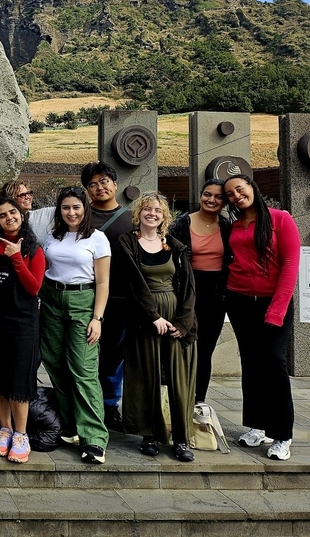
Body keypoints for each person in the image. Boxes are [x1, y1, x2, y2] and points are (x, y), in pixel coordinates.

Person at [223, 174, 300, 461]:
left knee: (273, 362)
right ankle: (258, 426)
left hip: (273, 302)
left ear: (252, 188)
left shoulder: (280, 219)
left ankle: (282, 434)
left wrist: (277, 309)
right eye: (230, 194)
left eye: (239, 190)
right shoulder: (234, 225)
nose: (236, 196)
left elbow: (291, 264)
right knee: (251, 363)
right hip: (240, 301)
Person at [116, 192, 198, 462]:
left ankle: (182, 439)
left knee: (178, 379)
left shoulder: (174, 246)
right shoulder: (127, 242)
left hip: (174, 316)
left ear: (164, 217)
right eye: (147, 209)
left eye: (158, 211)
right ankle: (148, 434)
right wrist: (152, 316)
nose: (152, 213)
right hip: (144, 318)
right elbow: (133, 283)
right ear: (138, 214)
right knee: (144, 375)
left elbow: (187, 287)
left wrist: (183, 323)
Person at [39, 186, 111, 464]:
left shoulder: (97, 238)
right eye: (66, 208)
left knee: (83, 369)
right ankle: (70, 428)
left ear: (85, 209)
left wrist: (97, 318)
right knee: (55, 363)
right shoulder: (51, 237)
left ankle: (94, 438)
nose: (71, 213)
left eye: (76, 207)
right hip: (52, 300)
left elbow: (103, 282)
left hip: (83, 301)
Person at [0, 197, 45, 463]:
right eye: (3, 215)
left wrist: (16, 257)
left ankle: (21, 434)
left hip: (23, 322)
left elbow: (33, 287)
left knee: (19, 378)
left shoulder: (33, 248)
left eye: (13, 212)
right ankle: (4, 428)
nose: (9, 218)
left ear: (22, 215)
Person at [169, 179, 232, 404]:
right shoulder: (181, 224)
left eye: (218, 196)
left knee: (205, 351)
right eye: (207, 194)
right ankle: (175, 401)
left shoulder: (227, 226)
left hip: (216, 296)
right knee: (179, 347)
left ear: (224, 201)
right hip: (185, 292)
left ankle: (198, 403)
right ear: (200, 195)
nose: (211, 200)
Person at [81, 161, 133, 433]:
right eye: (93, 184)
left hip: (120, 300)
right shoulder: (80, 216)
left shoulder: (130, 219)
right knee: (84, 352)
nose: (99, 187)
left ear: (115, 184)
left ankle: (110, 405)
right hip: (85, 297)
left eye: (104, 182)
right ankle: (85, 405)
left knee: (114, 355)